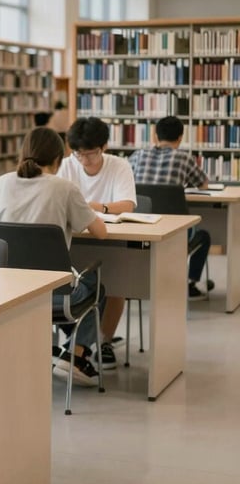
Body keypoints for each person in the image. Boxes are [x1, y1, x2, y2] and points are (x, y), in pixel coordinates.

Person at [0, 127, 108, 386]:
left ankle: (55, 349)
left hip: (9, 294)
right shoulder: (64, 187)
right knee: (96, 286)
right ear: (58, 159)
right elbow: (100, 232)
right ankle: (76, 355)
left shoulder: (2, 183)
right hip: (55, 295)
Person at [58, 116, 137, 371]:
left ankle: (103, 341)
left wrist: (94, 207)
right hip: (78, 238)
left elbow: (127, 204)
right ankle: (80, 343)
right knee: (79, 285)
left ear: (104, 147)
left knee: (117, 280)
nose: (83, 160)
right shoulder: (68, 165)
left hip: (112, 238)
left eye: (89, 154)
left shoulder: (119, 166)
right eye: (78, 154)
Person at [128, 115, 213, 300]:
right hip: (174, 232)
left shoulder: (137, 155)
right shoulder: (184, 157)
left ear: (155, 136)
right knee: (204, 236)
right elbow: (203, 185)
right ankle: (191, 285)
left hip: (140, 230)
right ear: (181, 138)